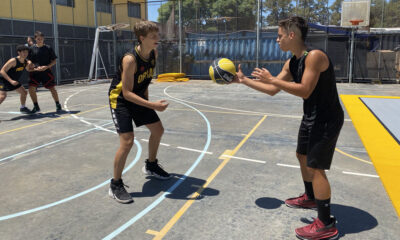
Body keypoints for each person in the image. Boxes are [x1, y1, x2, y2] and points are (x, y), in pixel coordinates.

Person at [234, 16, 343, 240]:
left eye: (280, 35)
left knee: (316, 167)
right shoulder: (292, 62)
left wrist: (272, 79)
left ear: (292, 35)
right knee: (301, 155)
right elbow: (272, 89)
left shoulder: (314, 57)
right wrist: (244, 80)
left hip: (326, 119)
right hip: (311, 116)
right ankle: (310, 197)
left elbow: (304, 90)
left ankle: (325, 223)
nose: (277, 40)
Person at [108, 21, 171, 204]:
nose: (157, 39)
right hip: (120, 100)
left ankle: (151, 165)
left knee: (158, 130)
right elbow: (126, 93)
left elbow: (144, 83)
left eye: (157, 35)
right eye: (153, 37)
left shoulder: (153, 54)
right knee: (127, 141)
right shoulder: (130, 59)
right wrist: (151, 105)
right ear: (141, 38)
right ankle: (115, 184)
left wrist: (148, 105)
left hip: (138, 97)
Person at [28, 31, 62, 113]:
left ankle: (58, 104)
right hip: (35, 72)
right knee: (31, 89)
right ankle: (36, 106)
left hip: (46, 72)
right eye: (38, 39)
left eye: (41, 39)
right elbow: (28, 60)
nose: (40, 40)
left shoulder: (48, 48)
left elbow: (54, 61)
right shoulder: (32, 48)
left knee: (52, 89)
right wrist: (31, 64)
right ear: (35, 39)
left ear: (44, 39)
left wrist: (47, 67)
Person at [0, 45, 33, 113]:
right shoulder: (13, 61)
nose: (25, 54)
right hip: (3, 80)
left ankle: (23, 108)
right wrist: (11, 81)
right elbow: (2, 71)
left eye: (26, 52)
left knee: (24, 92)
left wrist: (34, 67)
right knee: (2, 97)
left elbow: (29, 69)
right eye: (23, 52)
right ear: (19, 52)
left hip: (13, 81)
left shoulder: (25, 62)